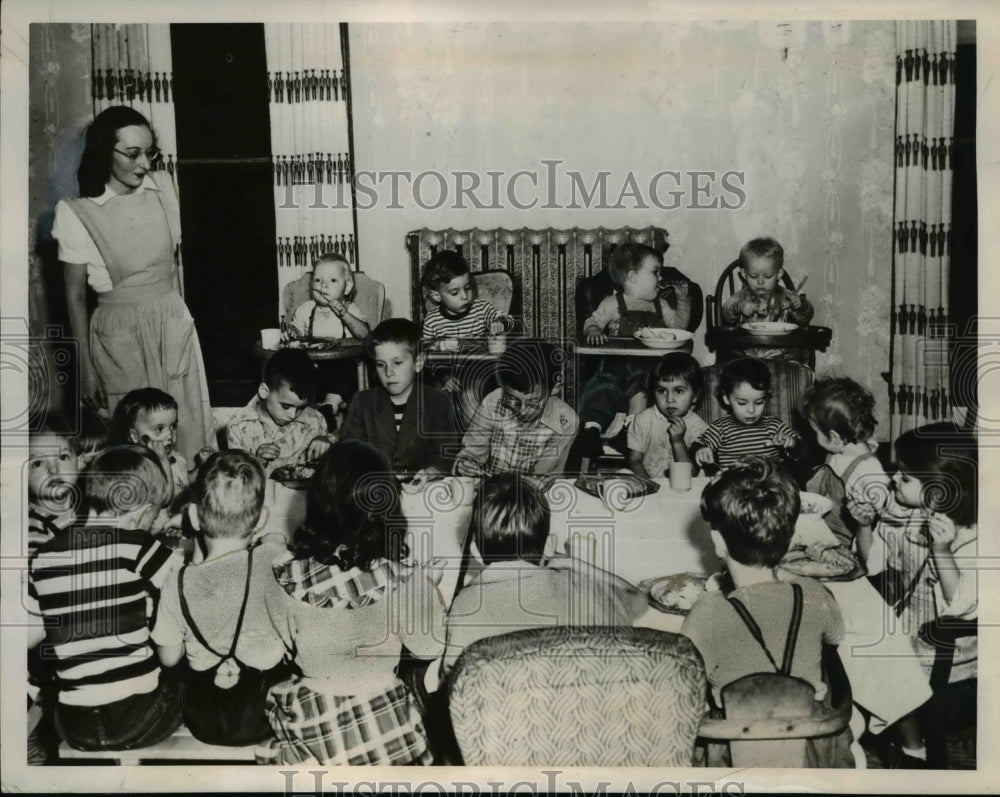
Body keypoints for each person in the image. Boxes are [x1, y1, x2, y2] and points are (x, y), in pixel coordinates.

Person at [260, 440, 444, 766]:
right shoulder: (404, 578)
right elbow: (429, 648)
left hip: (313, 724)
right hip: (387, 725)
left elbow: (276, 651)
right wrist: (429, 589)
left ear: (316, 503)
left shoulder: (284, 575)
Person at [53, 105, 213, 462]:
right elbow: (75, 297)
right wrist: (85, 368)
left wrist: (183, 320)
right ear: (103, 152)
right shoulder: (77, 212)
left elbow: (174, 268)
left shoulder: (163, 189)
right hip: (118, 335)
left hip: (171, 325)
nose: (144, 163)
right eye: (132, 153)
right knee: (130, 443)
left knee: (183, 434)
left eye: (149, 152)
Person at [681, 457, 850, 766]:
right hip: (811, 748)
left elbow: (686, 684)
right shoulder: (815, 593)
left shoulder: (707, 612)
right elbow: (835, 637)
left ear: (718, 542)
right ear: (790, 539)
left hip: (731, 751)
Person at [27, 445, 183, 751]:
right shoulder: (139, 545)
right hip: (139, 718)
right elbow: (189, 588)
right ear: (141, 513)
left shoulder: (43, 557)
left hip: (74, 724)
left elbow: (29, 637)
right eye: (154, 514)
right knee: (183, 681)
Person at [440, 473, 647, 678]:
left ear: (475, 551)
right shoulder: (588, 590)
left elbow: (453, 678)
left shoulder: (466, 606)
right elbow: (638, 601)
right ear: (550, 545)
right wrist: (571, 562)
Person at [151, 451, 290, 745]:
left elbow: (169, 657)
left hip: (203, 717)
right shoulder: (277, 561)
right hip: (266, 714)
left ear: (193, 517)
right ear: (262, 519)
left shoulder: (177, 581)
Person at [867, 423, 978, 682]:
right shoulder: (920, 514)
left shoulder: (970, 539)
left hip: (945, 652)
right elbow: (896, 568)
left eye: (905, 477)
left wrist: (942, 552)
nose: (893, 478)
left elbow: (963, 607)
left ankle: (902, 719)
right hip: (909, 622)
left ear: (937, 492)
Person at [341, 318, 459, 487]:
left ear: (418, 363)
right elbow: (350, 452)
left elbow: (444, 454)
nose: (389, 372)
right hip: (372, 490)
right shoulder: (363, 402)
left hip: (421, 490)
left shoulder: (437, 402)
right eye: (381, 365)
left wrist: (431, 472)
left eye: (397, 363)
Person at [453, 339, 578, 477]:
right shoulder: (493, 401)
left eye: (533, 403)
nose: (522, 411)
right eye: (513, 400)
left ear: (555, 389)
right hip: (491, 491)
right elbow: (472, 453)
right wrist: (466, 464)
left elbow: (544, 477)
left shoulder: (566, 422)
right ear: (504, 386)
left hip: (534, 494)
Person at [420, 250, 516, 426]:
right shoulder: (432, 321)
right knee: (435, 401)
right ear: (436, 295)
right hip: (448, 372)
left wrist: (500, 323)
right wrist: (444, 377)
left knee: (470, 395)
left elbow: (508, 319)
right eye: (455, 292)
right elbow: (430, 357)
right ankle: (450, 443)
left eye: (468, 288)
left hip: (479, 370)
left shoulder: (480, 309)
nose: (465, 296)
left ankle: (475, 443)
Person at [802, 377, 893, 550]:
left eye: (815, 432)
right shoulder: (839, 450)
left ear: (835, 437)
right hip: (822, 529)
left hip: (843, 545)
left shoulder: (868, 470)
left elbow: (888, 515)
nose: (813, 437)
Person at [226, 348, 336, 477]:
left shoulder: (315, 419)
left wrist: (325, 444)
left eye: (300, 408)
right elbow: (235, 478)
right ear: (264, 391)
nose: (293, 415)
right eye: (285, 406)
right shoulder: (239, 426)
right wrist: (256, 462)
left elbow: (326, 469)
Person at [691, 357, 799, 471]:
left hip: (769, 483)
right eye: (742, 403)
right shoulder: (721, 427)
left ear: (766, 398)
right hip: (735, 484)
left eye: (759, 402)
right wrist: (701, 449)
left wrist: (791, 443)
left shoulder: (774, 425)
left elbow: (801, 452)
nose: (751, 410)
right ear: (727, 399)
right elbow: (697, 445)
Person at [720, 237, 814, 362]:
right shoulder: (742, 297)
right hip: (746, 355)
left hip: (781, 355)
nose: (760, 282)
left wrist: (800, 306)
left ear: (779, 274)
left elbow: (805, 317)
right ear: (744, 274)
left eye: (768, 276)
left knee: (798, 367)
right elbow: (726, 313)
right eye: (753, 276)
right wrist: (739, 307)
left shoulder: (786, 297)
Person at [581, 242, 691, 345]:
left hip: (655, 363)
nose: (661, 277)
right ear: (633, 277)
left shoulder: (661, 305)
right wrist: (593, 330)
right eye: (655, 272)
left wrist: (682, 299)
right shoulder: (613, 303)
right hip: (619, 362)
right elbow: (592, 321)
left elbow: (679, 329)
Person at [626, 352, 708, 479]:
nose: (669, 399)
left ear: (695, 395)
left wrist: (678, 441)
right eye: (661, 391)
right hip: (648, 482)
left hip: (683, 487)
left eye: (679, 391)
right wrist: (649, 485)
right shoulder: (643, 420)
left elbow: (690, 474)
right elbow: (634, 460)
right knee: (623, 473)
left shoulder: (700, 428)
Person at [26, 413, 82, 558]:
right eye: (37, 463)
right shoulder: (33, 527)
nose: (54, 470)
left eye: (63, 457)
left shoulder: (91, 504)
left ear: (80, 462)